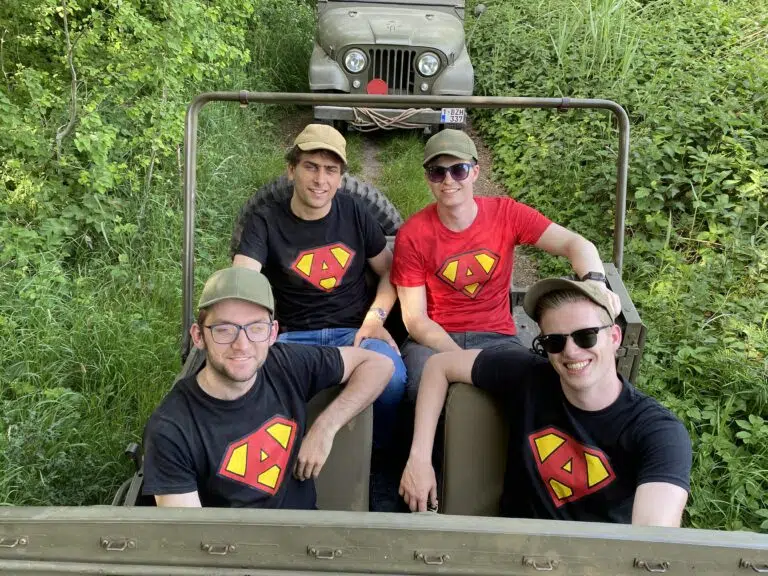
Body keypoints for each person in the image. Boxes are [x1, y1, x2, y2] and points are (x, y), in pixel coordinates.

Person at [399, 277, 692, 526]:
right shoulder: (529, 376)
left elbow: (652, 541)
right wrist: (420, 459)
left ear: (614, 337)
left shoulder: (657, 432)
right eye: (555, 341)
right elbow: (439, 366)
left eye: (586, 336)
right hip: (513, 549)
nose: (571, 351)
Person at [390, 129, 623, 402]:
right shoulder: (413, 234)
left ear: (475, 172)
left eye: (459, 170)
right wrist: (459, 357)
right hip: (435, 337)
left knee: (533, 388)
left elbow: (575, 244)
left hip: (495, 335)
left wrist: (595, 284)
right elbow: (415, 319)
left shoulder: (506, 214)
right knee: (417, 388)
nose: (448, 180)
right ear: (428, 178)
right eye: (437, 172)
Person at [142, 266, 393, 508]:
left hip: (307, 531)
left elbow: (379, 365)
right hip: (228, 538)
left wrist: (325, 428)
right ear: (198, 336)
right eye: (224, 329)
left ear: (273, 333)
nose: (242, 344)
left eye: (256, 328)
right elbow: (187, 531)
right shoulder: (172, 427)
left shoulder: (286, 364)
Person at [232, 124, 406, 452]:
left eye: (330, 170)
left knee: (394, 378)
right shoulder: (266, 220)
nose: (320, 180)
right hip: (290, 338)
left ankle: (375, 458)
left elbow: (389, 271)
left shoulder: (355, 212)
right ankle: (281, 456)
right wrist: (252, 330)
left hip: (354, 333)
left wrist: (375, 319)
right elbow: (243, 280)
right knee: (248, 382)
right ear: (291, 170)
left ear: (340, 178)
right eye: (311, 167)